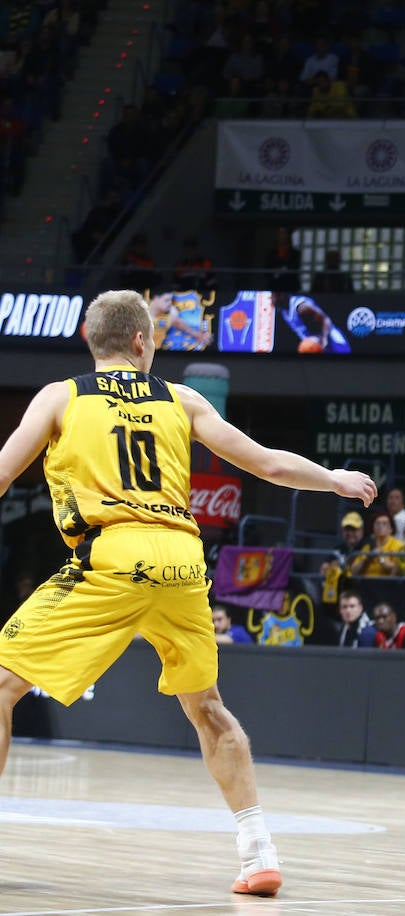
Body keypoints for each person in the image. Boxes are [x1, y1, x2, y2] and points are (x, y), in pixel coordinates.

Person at [0, 289, 376, 898]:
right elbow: (268, 466)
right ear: (143, 342)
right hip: (181, 561)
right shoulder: (182, 399)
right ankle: (259, 856)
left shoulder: (59, 396)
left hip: (113, 554)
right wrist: (332, 479)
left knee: (2, 687)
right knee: (208, 709)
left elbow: (1, 474)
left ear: (91, 343)